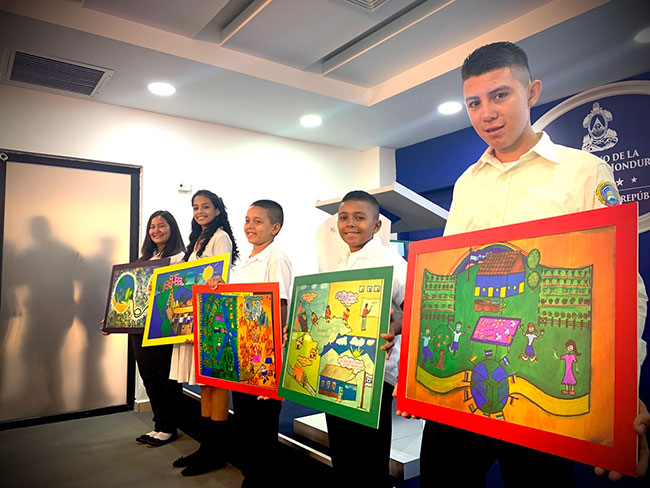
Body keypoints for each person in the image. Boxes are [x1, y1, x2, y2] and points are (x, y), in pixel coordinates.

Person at [404, 41, 648, 485]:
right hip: (463, 387)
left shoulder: (583, 171)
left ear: (532, 91)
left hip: (539, 395)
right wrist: (413, 355)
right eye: (474, 103)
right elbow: (451, 269)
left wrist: (622, 391)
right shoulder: (466, 184)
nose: (487, 114)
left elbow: (623, 287)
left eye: (500, 95)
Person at [323, 190, 407, 488]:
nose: (350, 224)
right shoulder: (342, 261)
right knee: (341, 443)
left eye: (359, 217)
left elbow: (415, 310)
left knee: (369, 451)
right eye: (343, 217)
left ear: (376, 225)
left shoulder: (391, 262)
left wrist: (395, 328)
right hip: (341, 366)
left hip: (376, 373)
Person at [207, 199, 292, 488]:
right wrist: (219, 288)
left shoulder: (276, 258)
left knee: (262, 425)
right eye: (247, 220)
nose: (249, 226)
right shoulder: (246, 261)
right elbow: (239, 304)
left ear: (275, 227)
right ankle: (253, 476)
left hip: (264, 358)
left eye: (257, 221)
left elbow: (279, 306)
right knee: (245, 419)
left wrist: (270, 362)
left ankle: (263, 479)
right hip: (243, 354)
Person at [169, 190, 239, 476]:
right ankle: (207, 447)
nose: (199, 212)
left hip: (212, 317)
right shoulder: (198, 239)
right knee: (205, 384)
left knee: (216, 382)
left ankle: (215, 452)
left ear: (218, 210)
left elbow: (218, 278)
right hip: (194, 316)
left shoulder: (220, 237)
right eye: (195, 207)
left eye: (205, 207)